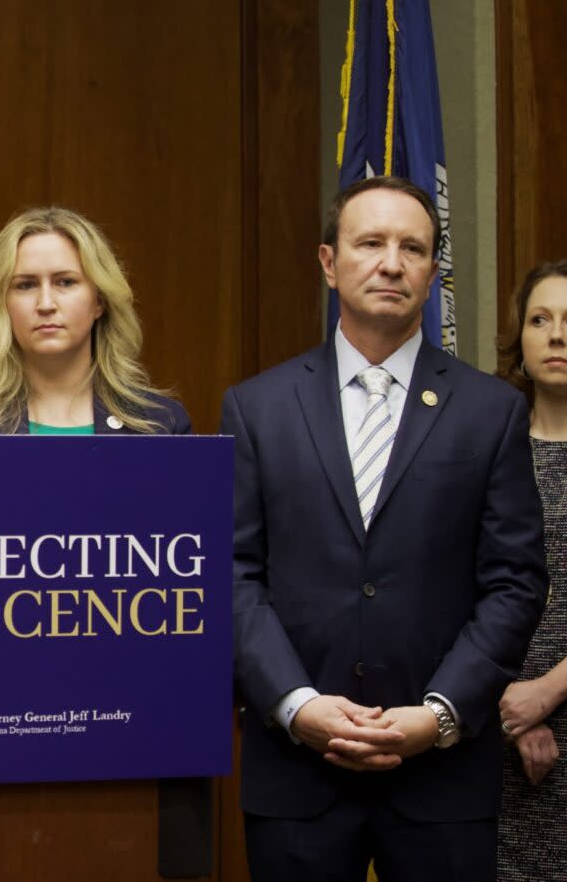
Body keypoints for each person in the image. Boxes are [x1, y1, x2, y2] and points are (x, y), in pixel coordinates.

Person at [221, 176, 547, 882]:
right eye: (370, 243)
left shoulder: (490, 412)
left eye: (413, 248)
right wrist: (296, 703)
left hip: (443, 778)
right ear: (329, 261)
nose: (392, 262)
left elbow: (515, 581)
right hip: (296, 776)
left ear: (433, 272)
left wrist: (439, 714)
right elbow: (232, 574)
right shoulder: (257, 407)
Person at [0, 206, 189, 435]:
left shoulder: (160, 423)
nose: (46, 304)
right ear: (1, 304)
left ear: (99, 300)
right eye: (26, 285)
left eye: (65, 282)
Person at [495, 260, 567, 881]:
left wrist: (548, 692)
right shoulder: (485, 443)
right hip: (494, 721)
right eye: (540, 319)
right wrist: (512, 704)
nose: (556, 335)